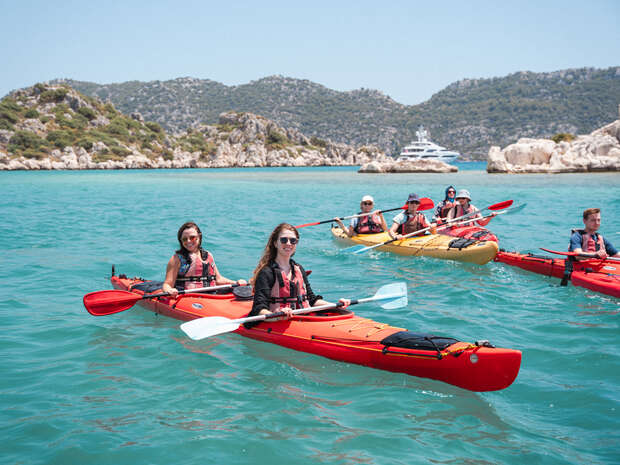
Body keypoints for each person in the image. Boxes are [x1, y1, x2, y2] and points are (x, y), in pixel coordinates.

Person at [247, 223, 350, 325]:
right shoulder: (267, 272)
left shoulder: (299, 268)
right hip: (277, 321)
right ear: (275, 243)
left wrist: (335, 305)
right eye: (283, 240)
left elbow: (311, 300)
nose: (288, 243)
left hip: (303, 318)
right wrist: (277, 316)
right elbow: (258, 309)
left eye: (293, 241)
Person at [162, 222, 247, 296]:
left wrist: (236, 283)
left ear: (199, 237)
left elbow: (218, 279)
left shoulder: (208, 255)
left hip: (211, 295)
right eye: (184, 239)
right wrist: (169, 290)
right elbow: (167, 284)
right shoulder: (176, 259)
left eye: (192, 237)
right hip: (188, 297)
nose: (188, 241)